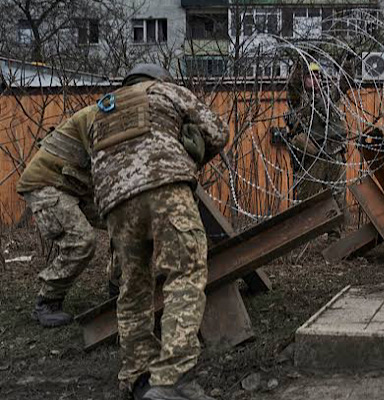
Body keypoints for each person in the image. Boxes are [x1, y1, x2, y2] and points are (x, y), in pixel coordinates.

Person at [87, 64, 228, 399]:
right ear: (158, 78)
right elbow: (217, 131)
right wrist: (193, 152)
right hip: (165, 187)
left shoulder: (101, 111)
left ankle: (137, 379)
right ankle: (172, 381)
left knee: (133, 287)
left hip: (116, 203)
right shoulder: (165, 91)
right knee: (185, 273)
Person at [16, 105, 120, 327]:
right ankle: (47, 302)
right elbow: (106, 163)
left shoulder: (124, 115)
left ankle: (118, 287)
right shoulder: (103, 115)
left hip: (74, 185)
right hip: (47, 182)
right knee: (81, 241)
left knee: (125, 223)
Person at [285, 61, 350, 239]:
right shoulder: (298, 98)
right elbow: (293, 84)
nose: (314, 79)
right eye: (310, 76)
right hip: (312, 154)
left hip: (333, 150)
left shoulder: (328, 95)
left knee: (338, 193)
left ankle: (335, 234)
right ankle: (304, 236)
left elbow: (345, 84)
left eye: (317, 76)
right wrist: (301, 62)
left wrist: (349, 62)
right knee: (307, 197)